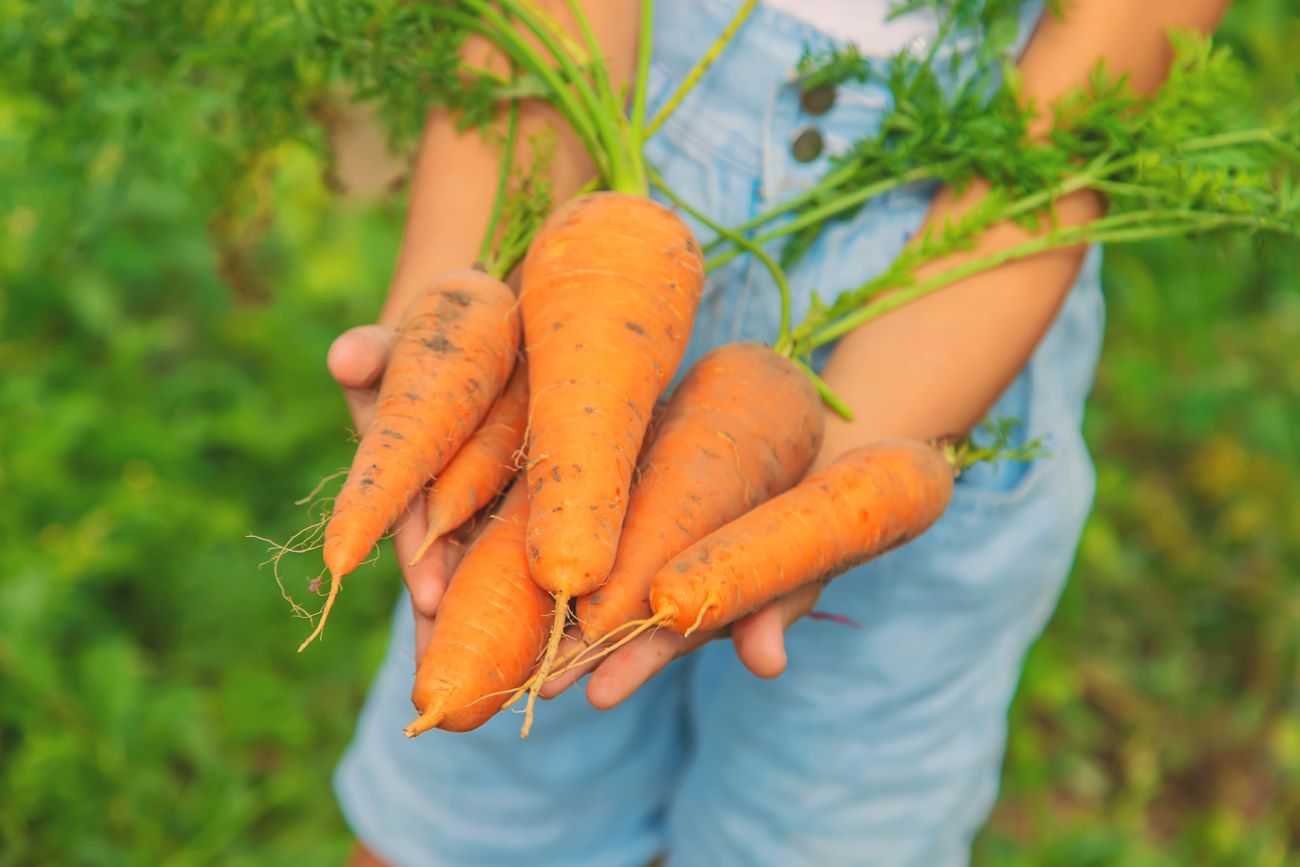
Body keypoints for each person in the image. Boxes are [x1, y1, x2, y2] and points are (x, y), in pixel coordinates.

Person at [328, 1, 1229, 864]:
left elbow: (1050, 162)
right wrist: (458, 318)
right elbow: (537, 29)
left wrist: (830, 502)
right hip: (575, 313)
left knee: (811, 833)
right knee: (459, 824)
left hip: (936, 349)